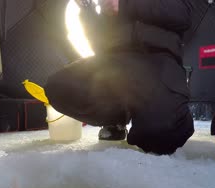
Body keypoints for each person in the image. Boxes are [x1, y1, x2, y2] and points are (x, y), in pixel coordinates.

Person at [44, 0, 194, 155]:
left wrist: (125, 5)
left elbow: (183, 14)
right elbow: (99, 44)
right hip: (115, 61)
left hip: (157, 59)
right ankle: (116, 119)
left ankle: (174, 111)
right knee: (59, 86)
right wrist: (87, 11)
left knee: (160, 135)